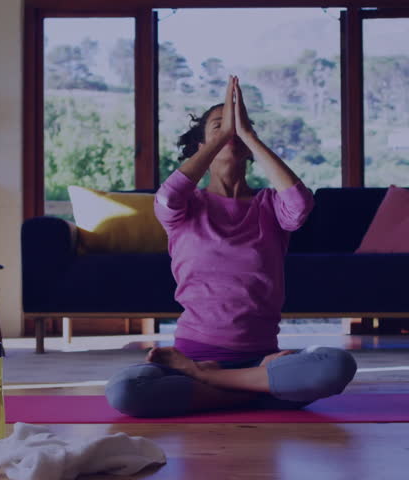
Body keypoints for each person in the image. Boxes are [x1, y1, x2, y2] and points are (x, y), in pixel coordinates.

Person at [105, 75, 356, 418]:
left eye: (238, 126)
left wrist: (248, 135)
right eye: (219, 126)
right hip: (193, 355)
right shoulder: (185, 208)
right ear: (201, 147)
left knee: (337, 365)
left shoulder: (270, 205)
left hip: (258, 358)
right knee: (125, 390)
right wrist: (224, 136)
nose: (231, 132)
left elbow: (300, 205)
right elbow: (167, 196)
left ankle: (213, 382)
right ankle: (253, 390)